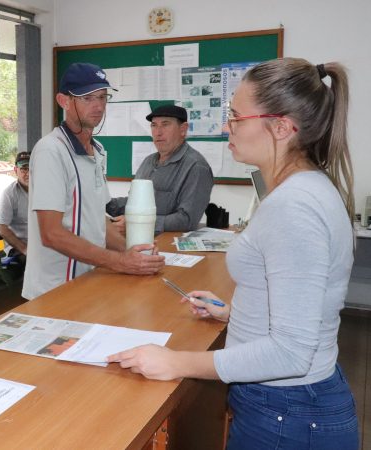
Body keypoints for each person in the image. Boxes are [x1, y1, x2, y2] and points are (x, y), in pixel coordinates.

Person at [108, 58, 359, 449]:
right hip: (290, 405)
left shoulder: (294, 206)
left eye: (236, 117)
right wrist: (235, 314)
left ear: (281, 127)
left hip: (287, 412)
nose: (227, 126)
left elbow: (291, 353)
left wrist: (176, 361)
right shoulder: (304, 189)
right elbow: (302, 306)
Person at [22, 62, 164, 300]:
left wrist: (134, 254)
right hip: (54, 291)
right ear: (64, 101)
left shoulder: (97, 150)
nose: (99, 106)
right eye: (87, 98)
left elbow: (97, 218)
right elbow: (51, 233)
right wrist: (120, 262)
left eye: (102, 97)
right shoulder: (51, 151)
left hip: (88, 282)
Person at [106, 105, 214, 234]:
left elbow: (187, 220)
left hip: (168, 246)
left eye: (165, 124)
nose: (158, 132)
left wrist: (137, 223)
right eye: (154, 125)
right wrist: (104, 203)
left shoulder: (196, 167)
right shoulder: (148, 161)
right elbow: (135, 203)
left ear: (183, 129)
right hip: (139, 240)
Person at [0, 151, 30, 259]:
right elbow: (1, 228)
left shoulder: (45, 190)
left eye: (31, 168)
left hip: (41, 246)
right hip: (18, 248)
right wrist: (25, 249)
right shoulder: (9, 194)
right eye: (24, 169)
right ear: (16, 170)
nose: (28, 173)